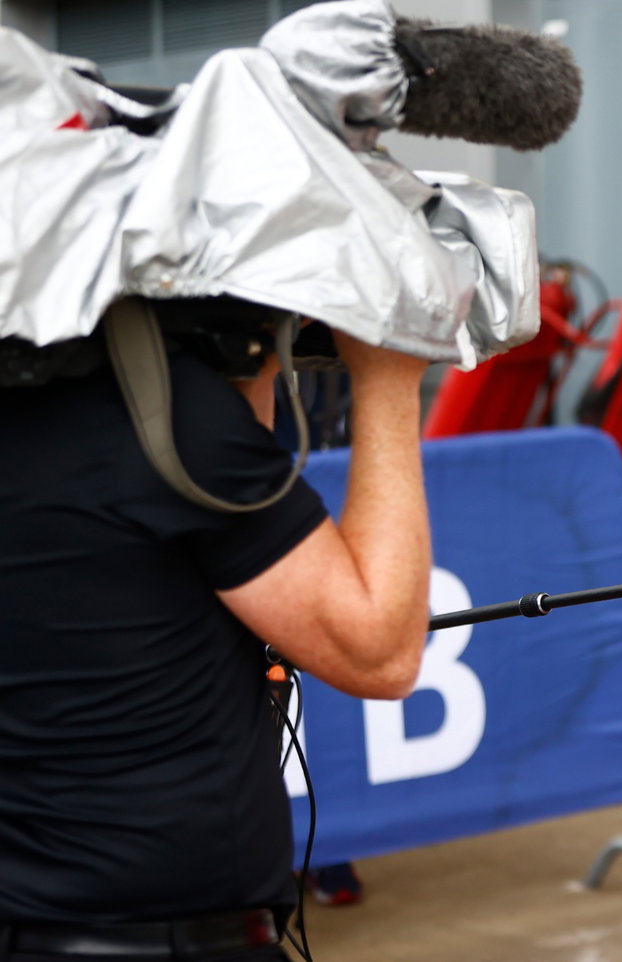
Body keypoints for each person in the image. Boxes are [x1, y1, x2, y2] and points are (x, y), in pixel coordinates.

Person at [0, 326, 432, 960]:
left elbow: (220, 527)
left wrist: (248, 366)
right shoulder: (161, 415)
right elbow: (383, 655)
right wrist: (389, 377)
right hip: (166, 936)